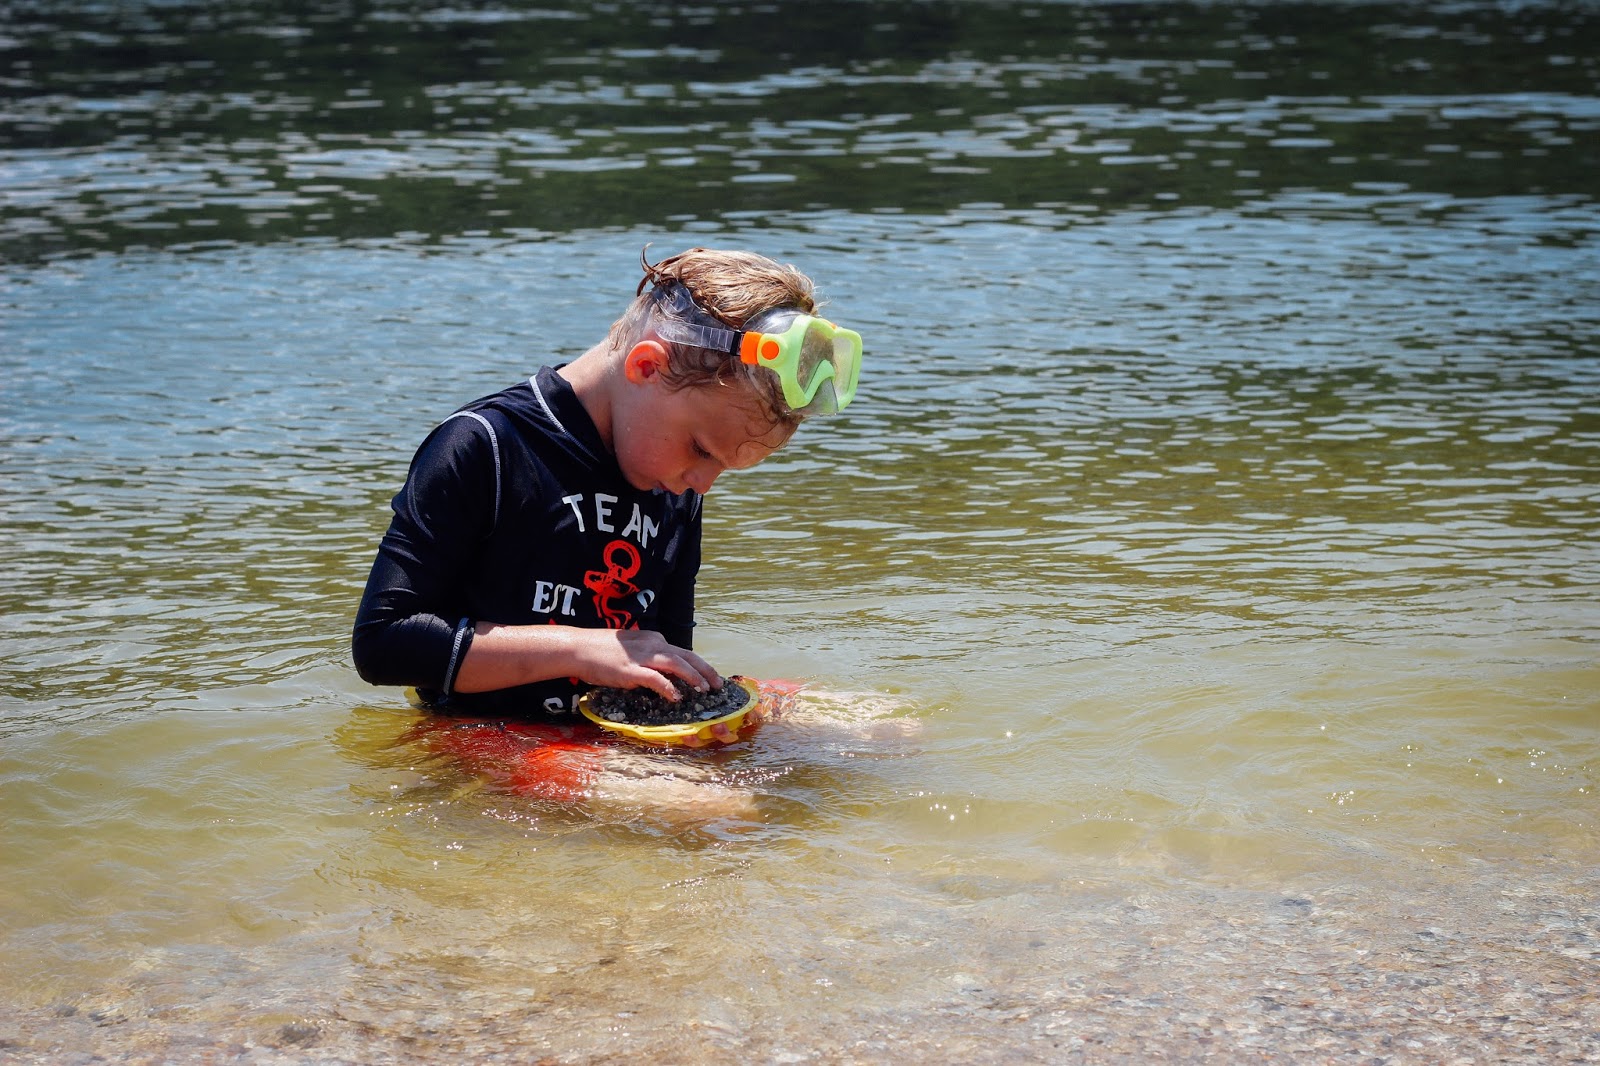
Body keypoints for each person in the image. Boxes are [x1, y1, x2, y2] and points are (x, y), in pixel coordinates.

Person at [351, 247, 862, 720]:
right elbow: (382, 644)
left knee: (870, 726)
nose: (702, 485)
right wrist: (583, 649)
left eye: (726, 467)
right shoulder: (486, 445)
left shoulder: (676, 481)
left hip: (600, 733)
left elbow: (662, 654)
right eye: (702, 450)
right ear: (646, 366)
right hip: (483, 735)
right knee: (710, 808)